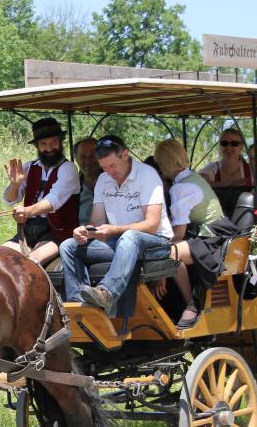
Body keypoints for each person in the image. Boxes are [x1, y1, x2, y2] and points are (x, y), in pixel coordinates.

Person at [58, 135, 172, 318]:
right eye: (104, 167)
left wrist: (115, 230)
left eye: (112, 165)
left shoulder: (147, 175)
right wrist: (85, 231)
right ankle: (78, 307)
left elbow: (152, 224)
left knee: (129, 236)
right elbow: (96, 221)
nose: (109, 172)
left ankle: (107, 293)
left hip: (156, 243)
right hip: (120, 242)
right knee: (68, 246)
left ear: (125, 155)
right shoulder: (103, 180)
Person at [152, 139, 226, 329]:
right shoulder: (193, 177)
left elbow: (178, 234)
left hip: (211, 239)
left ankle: (191, 303)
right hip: (218, 233)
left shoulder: (181, 188)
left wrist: (162, 270)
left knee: (170, 252)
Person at [3, 117, 80, 264]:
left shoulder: (68, 168)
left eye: (53, 142)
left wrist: (27, 211)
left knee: (31, 262)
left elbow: (53, 201)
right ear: (37, 146)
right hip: (27, 230)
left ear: (61, 142)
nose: (49, 148)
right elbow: (9, 200)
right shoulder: (29, 167)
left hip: (57, 232)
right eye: (43, 144)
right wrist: (14, 185)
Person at [74, 137, 100, 225]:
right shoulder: (72, 189)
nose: (88, 161)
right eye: (83, 157)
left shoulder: (116, 183)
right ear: (76, 159)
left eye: (92, 156)